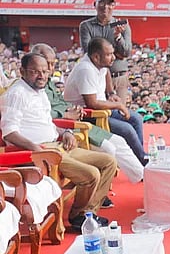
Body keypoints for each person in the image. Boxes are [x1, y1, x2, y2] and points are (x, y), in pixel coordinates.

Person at [0, 53, 117, 229]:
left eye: (44, 72)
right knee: (91, 174)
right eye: (35, 72)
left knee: (109, 162)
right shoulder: (17, 94)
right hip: (42, 151)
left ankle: (88, 214)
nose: (41, 76)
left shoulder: (40, 91)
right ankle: (78, 217)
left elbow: (47, 122)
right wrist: (37, 149)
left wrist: (67, 132)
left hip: (58, 144)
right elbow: (9, 133)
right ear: (22, 71)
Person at [31, 43, 143, 184]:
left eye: (53, 64)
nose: (51, 68)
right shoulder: (32, 88)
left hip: (75, 121)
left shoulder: (48, 83)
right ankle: (99, 192)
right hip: (63, 127)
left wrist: (72, 109)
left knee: (119, 141)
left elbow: (61, 102)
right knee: (109, 149)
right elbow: (41, 113)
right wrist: (65, 114)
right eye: (47, 64)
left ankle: (142, 175)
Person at [63, 37, 147, 166]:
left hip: (102, 108)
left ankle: (140, 157)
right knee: (127, 129)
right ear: (96, 57)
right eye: (109, 55)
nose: (113, 58)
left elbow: (106, 72)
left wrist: (111, 92)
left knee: (136, 119)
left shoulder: (100, 63)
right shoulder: (86, 69)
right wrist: (118, 105)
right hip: (86, 114)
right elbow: (92, 103)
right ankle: (143, 163)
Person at [79, 0, 132, 99]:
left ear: (114, 6)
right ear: (95, 5)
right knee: (100, 111)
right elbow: (89, 52)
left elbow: (126, 52)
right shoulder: (86, 25)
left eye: (109, 4)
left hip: (119, 76)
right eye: (102, 3)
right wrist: (116, 53)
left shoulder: (121, 25)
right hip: (97, 77)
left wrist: (118, 36)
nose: (105, 7)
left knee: (120, 112)